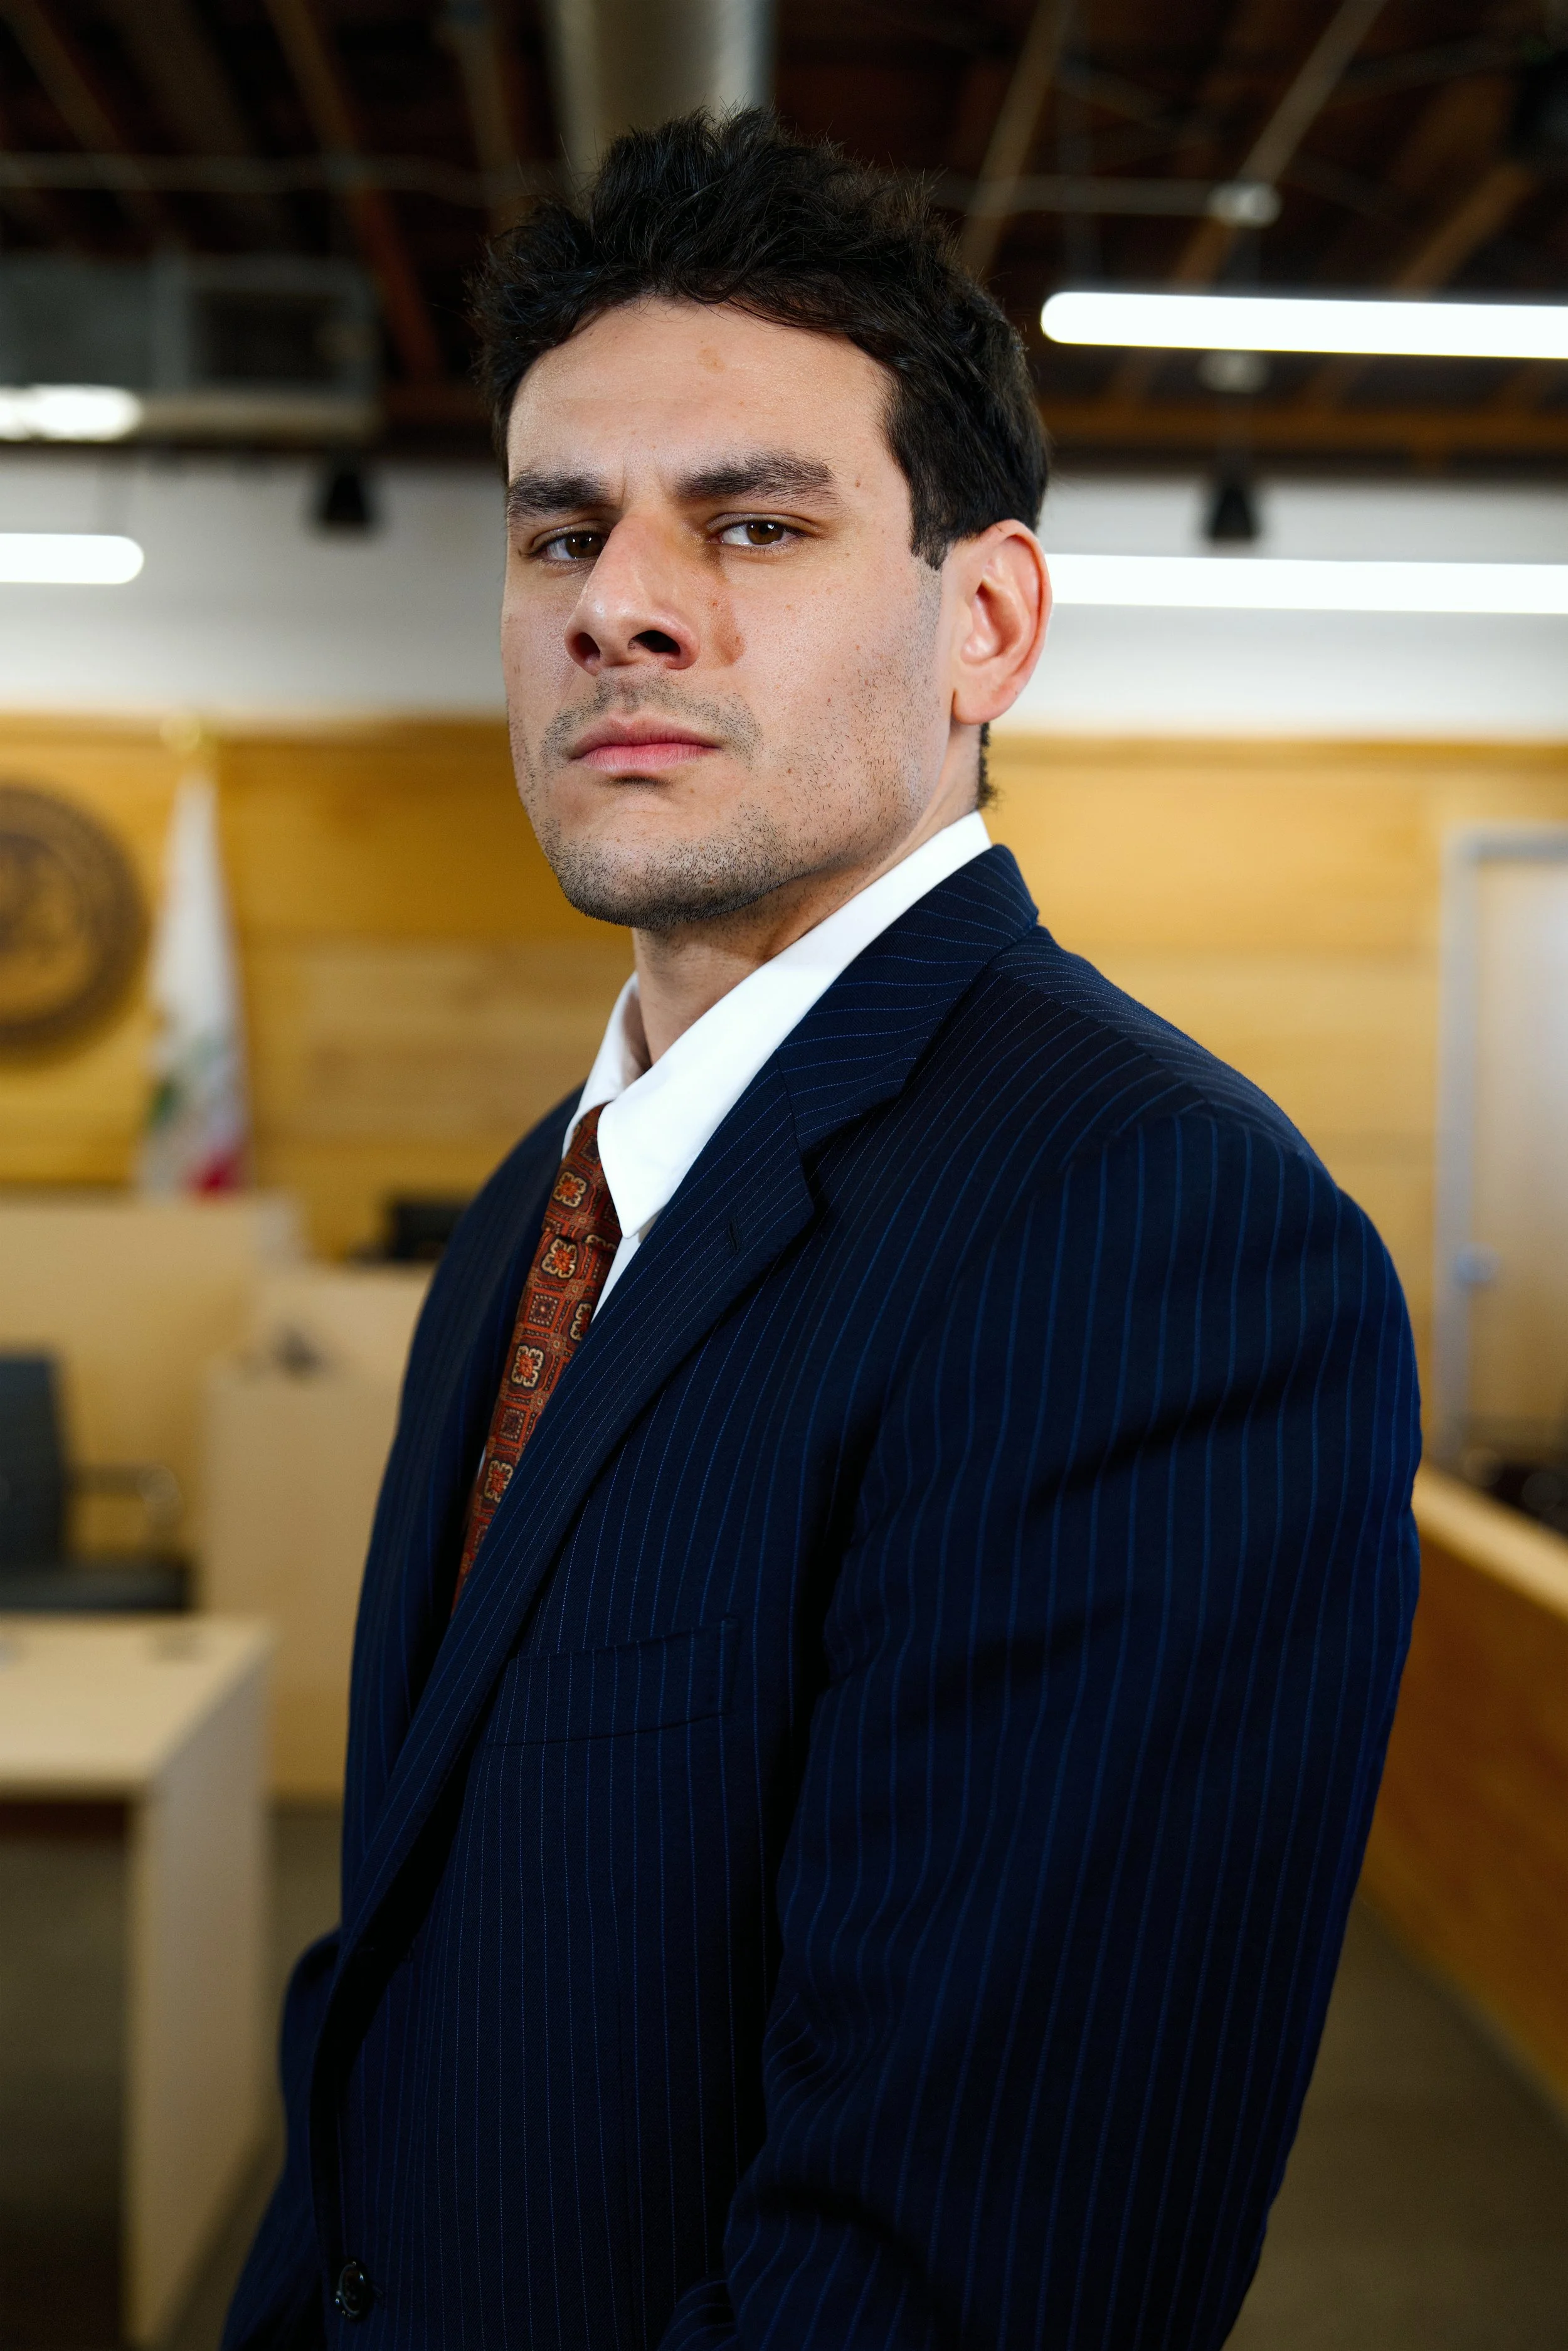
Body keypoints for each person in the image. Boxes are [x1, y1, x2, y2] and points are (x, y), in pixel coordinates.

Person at [226, 111, 1420, 2351]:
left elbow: (965, 2274)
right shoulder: (539, 1202)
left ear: (984, 621)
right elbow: (402, 1975)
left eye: (752, 521)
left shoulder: (1158, 1239)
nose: (620, 598)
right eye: (559, 529)